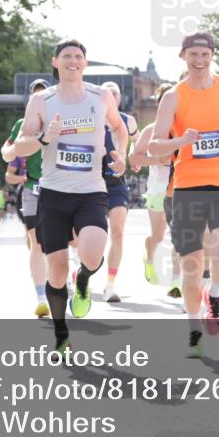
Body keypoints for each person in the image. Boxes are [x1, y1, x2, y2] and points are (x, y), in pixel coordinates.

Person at [149, 32, 219, 357]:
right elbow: (155, 146)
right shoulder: (173, 96)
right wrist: (179, 142)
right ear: (183, 56)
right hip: (187, 188)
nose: (199, 60)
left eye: (205, 54)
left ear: (212, 55)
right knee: (191, 265)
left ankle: (216, 294)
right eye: (193, 54)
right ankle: (194, 330)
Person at [14, 40, 128, 353]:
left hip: (91, 191)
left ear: (85, 64)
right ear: (55, 62)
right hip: (52, 194)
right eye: (66, 57)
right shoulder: (41, 101)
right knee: (57, 269)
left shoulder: (100, 96)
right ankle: (61, 332)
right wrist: (43, 137)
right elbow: (20, 145)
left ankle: (84, 279)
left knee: (92, 254)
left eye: (78, 57)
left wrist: (121, 155)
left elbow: (119, 128)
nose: (73, 61)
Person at [4, 79, 52, 319]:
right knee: (36, 243)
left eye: (43, 96)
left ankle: (68, 279)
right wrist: (9, 153)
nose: (38, 99)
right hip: (33, 187)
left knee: (64, 243)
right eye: (35, 96)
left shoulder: (59, 121)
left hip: (59, 188)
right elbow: (7, 151)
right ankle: (41, 297)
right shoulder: (21, 125)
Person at [130, 83, 182, 299]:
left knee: (179, 235)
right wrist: (157, 159)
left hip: (181, 186)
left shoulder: (184, 129)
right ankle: (149, 256)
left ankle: (176, 280)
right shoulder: (151, 130)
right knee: (159, 235)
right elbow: (134, 158)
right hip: (158, 189)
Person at [99, 81, 139, 302]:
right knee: (89, 236)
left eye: (115, 92)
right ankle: (78, 272)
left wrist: (132, 158)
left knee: (118, 232)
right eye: (107, 92)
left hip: (116, 182)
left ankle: (110, 284)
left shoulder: (127, 120)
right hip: (91, 184)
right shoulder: (91, 117)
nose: (111, 95)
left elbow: (138, 139)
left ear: (120, 98)